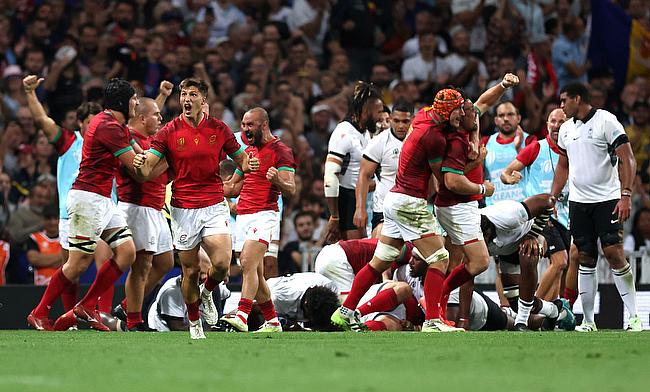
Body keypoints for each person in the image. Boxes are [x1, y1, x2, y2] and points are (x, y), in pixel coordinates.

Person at [331, 87, 477, 333]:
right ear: (446, 110)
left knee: (381, 260)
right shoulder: (434, 138)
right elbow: (443, 178)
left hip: (393, 199)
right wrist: (475, 160)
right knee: (439, 258)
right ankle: (433, 321)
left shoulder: (423, 116)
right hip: (410, 202)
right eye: (458, 108)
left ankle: (345, 312)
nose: (461, 113)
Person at [133, 78, 257, 339]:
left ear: (203, 100)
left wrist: (250, 163)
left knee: (222, 264)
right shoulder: (169, 131)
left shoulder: (219, 129)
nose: (186, 99)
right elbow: (147, 169)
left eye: (192, 94)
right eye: (183, 95)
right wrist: (139, 160)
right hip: (183, 209)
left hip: (213, 204)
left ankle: (207, 293)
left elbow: (242, 161)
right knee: (190, 271)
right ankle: (194, 322)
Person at [47, 78, 141, 332]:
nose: (136, 103)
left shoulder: (115, 125)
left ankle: (87, 305)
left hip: (103, 199)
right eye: (133, 99)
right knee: (77, 264)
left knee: (126, 252)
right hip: (88, 198)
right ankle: (40, 312)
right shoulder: (108, 125)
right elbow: (137, 168)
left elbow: (138, 154)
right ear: (122, 102)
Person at [23, 74, 116, 328]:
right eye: (87, 122)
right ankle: (68, 318)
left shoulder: (112, 142)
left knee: (106, 260)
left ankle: (102, 312)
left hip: (105, 209)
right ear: (80, 124)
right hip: (72, 214)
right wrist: (30, 93)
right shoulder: (69, 142)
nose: (93, 127)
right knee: (71, 268)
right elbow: (42, 120)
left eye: (97, 121)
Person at [551, 82, 642, 332]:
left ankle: (634, 317)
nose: (561, 106)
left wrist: (625, 195)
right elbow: (563, 165)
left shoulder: (606, 121)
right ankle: (588, 321)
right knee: (585, 257)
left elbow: (627, 158)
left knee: (614, 253)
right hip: (579, 203)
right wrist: (553, 195)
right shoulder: (567, 129)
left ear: (577, 99)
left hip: (607, 200)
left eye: (564, 101)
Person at [434, 74, 519, 329]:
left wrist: (503, 86)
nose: (477, 113)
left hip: (469, 202)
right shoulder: (454, 138)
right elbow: (450, 178)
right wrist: (479, 163)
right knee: (463, 261)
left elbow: (485, 100)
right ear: (459, 114)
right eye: (470, 110)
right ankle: (442, 312)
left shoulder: (471, 121)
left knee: (465, 263)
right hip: (456, 203)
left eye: (474, 109)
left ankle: (455, 316)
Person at [219, 107, 296, 333]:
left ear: (263, 125)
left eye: (249, 125)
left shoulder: (281, 150)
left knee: (247, 263)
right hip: (242, 216)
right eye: (243, 125)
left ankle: (242, 314)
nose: (245, 130)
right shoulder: (249, 152)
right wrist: (205, 185)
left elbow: (291, 188)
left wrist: (278, 181)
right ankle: (272, 321)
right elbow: (232, 187)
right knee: (257, 273)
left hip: (265, 215)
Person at [114, 95, 174, 331]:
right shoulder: (128, 139)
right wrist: (169, 160)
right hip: (137, 207)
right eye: (156, 114)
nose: (160, 118)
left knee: (165, 262)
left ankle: (127, 305)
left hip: (155, 208)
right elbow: (143, 173)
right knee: (142, 266)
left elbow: (161, 174)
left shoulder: (149, 140)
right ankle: (134, 319)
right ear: (142, 117)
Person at [501, 108, 570, 301]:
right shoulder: (536, 148)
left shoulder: (574, 151)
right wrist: (509, 178)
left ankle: (545, 316)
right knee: (560, 261)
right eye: (553, 122)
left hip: (566, 216)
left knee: (558, 270)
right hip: (540, 215)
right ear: (547, 125)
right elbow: (506, 172)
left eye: (561, 122)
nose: (556, 126)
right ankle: (531, 308)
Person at [480, 194, 569, 331]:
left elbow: (547, 200)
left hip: (529, 232)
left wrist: (532, 235)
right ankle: (553, 310)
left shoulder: (508, 216)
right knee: (517, 302)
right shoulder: (468, 234)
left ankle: (520, 323)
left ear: (487, 234)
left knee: (528, 253)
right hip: (507, 249)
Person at [323, 81, 383, 243]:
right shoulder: (344, 132)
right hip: (347, 201)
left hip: (365, 200)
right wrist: (335, 216)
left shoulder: (366, 133)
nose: (380, 117)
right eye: (378, 112)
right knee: (356, 256)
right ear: (365, 111)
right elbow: (330, 177)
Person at [354, 101, 413, 238]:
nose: (400, 126)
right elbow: (364, 175)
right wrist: (360, 209)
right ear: (391, 118)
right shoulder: (379, 142)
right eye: (396, 121)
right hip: (384, 210)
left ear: (413, 119)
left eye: (405, 121)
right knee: (379, 242)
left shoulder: (419, 141)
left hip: (412, 208)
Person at [314, 237, 413, 296]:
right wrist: (385, 278)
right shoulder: (409, 249)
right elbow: (389, 251)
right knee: (348, 307)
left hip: (326, 255)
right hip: (340, 259)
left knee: (330, 302)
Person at [483, 101, 536, 205]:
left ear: (519, 118)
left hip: (522, 206)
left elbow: (536, 172)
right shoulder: (485, 142)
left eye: (510, 114)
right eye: (501, 115)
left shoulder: (529, 140)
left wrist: (519, 149)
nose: (506, 119)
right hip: (493, 207)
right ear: (496, 120)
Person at [26, 204, 61, 285]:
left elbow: (71, 261)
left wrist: (44, 260)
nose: (52, 222)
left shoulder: (67, 239)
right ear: (43, 219)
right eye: (49, 218)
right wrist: (61, 257)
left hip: (63, 286)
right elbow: (34, 259)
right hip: (40, 286)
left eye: (55, 218)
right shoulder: (34, 238)